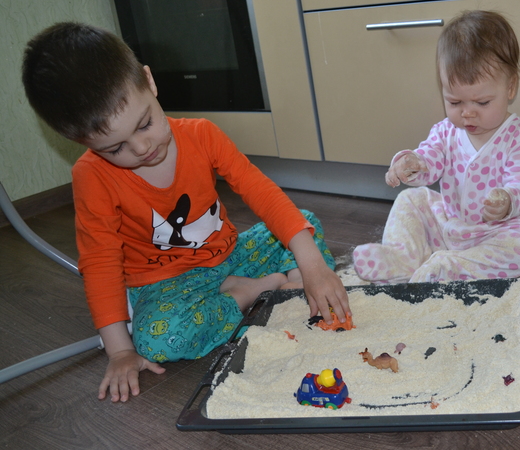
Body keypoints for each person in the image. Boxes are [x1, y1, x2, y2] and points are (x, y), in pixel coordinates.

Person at [21, 22, 350, 403]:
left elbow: (261, 192)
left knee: (304, 224)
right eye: (115, 148)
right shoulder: (92, 177)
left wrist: (311, 266)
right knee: (156, 340)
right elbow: (100, 263)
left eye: (145, 123)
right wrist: (120, 351)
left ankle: (287, 282)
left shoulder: (202, 134)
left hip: (230, 254)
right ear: (81, 141)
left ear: (149, 81)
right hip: (166, 283)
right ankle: (253, 291)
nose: (141, 147)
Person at [353, 10, 520, 283]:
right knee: (410, 199)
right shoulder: (446, 131)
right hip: (448, 225)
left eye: (482, 103)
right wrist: (413, 163)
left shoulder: (519, 137)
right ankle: (402, 258)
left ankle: (451, 267)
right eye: (455, 102)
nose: (467, 113)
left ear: (510, 88)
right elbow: (429, 159)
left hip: (496, 232)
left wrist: (508, 200)